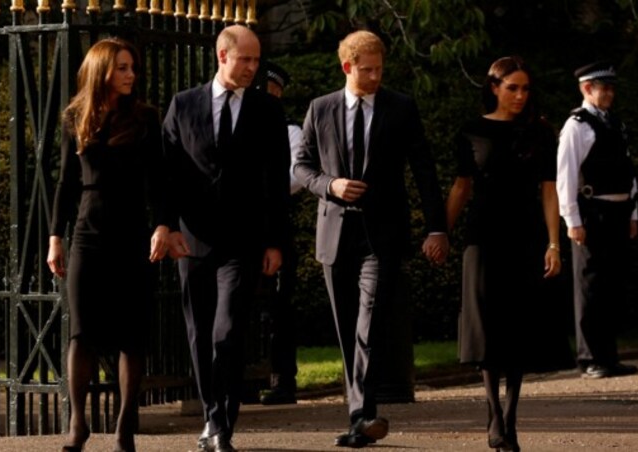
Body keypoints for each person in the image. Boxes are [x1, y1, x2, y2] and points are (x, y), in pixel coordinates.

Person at [293, 29, 449, 449]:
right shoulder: (320, 108)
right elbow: (302, 167)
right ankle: (357, 418)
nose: (376, 76)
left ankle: (363, 414)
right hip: (335, 233)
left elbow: (424, 169)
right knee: (347, 328)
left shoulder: (400, 107)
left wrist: (437, 227)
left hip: (382, 236)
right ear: (348, 67)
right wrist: (331, 185)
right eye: (368, 70)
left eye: (380, 68)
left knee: (370, 321)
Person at [161, 25, 290, 452]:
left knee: (228, 331)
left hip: (244, 240)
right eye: (246, 60)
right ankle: (211, 417)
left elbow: (275, 181)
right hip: (193, 240)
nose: (254, 68)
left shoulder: (267, 111)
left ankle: (222, 423)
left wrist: (276, 242)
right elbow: (166, 175)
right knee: (199, 333)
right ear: (222, 56)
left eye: (257, 60)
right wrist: (167, 227)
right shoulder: (183, 105)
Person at [47, 37, 176, 452]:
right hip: (87, 233)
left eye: (132, 68)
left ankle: (124, 427)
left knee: (132, 335)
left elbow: (160, 180)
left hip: (132, 234)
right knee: (81, 332)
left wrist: (162, 225)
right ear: (102, 69)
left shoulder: (145, 118)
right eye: (122, 67)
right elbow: (65, 183)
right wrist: (55, 237)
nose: (130, 75)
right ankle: (78, 423)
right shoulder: (75, 117)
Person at [445, 56, 562, 452]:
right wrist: (439, 232)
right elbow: (461, 187)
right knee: (486, 329)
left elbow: (550, 190)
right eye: (512, 87)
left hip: (526, 236)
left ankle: (509, 419)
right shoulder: (471, 131)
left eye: (525, 88)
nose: (520, 95)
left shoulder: (540, 132)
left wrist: (553, 242)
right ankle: (493, 413)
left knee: (518, 330)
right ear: (493, 87)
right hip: (483, 237)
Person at [556, 60, 638, 379]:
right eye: (603, 88)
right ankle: (589, 357)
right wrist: (571, 220)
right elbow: (565, 176)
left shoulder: (615, 124)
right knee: (589, 285)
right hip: (592, 213)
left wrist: (633, 211)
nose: (609, 93)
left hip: (618, 211)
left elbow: (628, 171)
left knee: (612, 285)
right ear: (586, 89)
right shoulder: (576, 126)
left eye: (611, 88)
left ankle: (609, 356)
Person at [258, 60, 302, 406]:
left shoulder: (290, 132)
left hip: (275, 224)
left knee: (279, 307)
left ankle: (282, 378)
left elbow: (296, 177)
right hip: (245, 226)